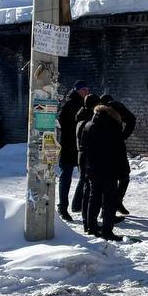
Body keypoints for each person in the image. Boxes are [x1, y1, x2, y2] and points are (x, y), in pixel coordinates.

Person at [77, 99, 128, 240]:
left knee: (94, 198)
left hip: (93, 168)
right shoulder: (113, 127)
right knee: (109, 202)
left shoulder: (89, 125)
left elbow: (83, 148)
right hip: (110, 170)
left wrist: (85, 167)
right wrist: (123, 171)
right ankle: (107, 231)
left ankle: (91, 227)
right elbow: (119, 151)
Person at [56, 81, 90, 220]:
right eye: (84, 89)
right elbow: (64, 124)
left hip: (79, 147)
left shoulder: (83, 103)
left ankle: (76, 204)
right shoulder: (70, 104)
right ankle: (63, 207)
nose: (87, 91)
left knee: (84, 177)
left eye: (87, 89)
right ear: (77, 90)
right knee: (66, 177)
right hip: (69, 146)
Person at [100, 94, 136, 218]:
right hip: (108, 150)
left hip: (114, 149)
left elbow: (131, 119)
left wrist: (123, 136)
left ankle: (115, 203)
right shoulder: (100, 112)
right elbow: (132, 119)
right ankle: (108, 210)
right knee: (111, 181)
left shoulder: (112, 107)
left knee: (123, 177)